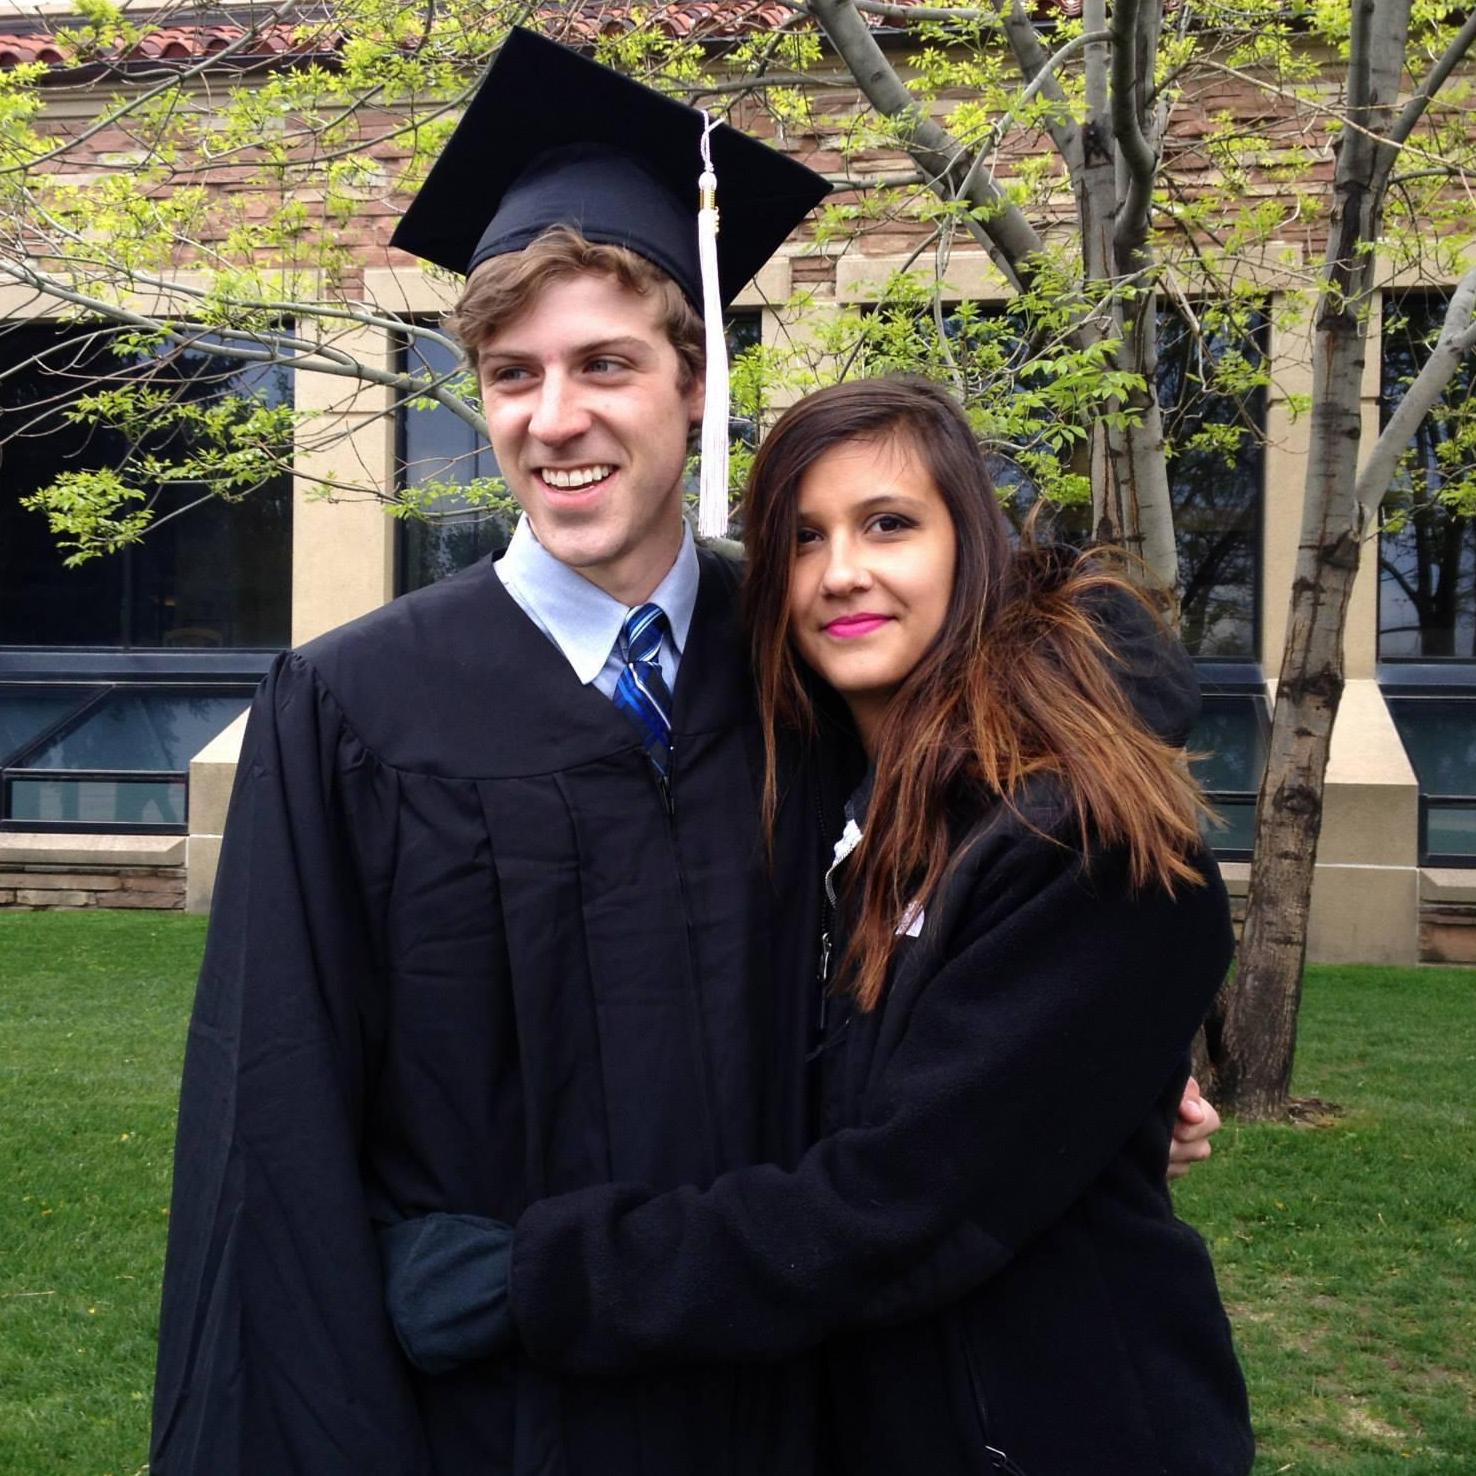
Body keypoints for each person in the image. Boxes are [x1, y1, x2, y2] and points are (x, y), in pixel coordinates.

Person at [150, 28, 1221, 1475]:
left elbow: (1069, 717)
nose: (556, 418)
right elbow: (268, 1140)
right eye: (513, 375)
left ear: (695, 378)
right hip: (498, 1418)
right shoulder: (353, 713)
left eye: (606, 363)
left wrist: (1119, 1062)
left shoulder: (803, 652)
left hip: (803, 1407)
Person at [379, 378, 1256, 1475]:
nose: (842, 571)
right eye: (800, 538)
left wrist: (536, 1279)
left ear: (967, 548)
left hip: (1050, 1428)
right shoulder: (859, 808)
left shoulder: (1078, 839)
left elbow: (900, 1208)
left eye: (889, 524)